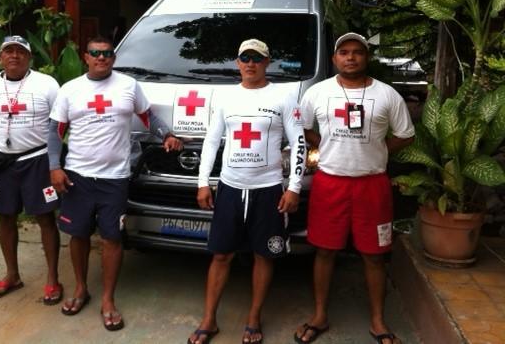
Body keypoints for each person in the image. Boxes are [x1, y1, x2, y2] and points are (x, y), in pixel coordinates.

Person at [48, 36, 182, 330]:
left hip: (116, 177)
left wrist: (167, 135)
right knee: (78, 234)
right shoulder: (70, 90)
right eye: (95, 53)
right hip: (77, 176)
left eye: (107, 53)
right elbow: (55, 132)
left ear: (113, 57)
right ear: (85, 56)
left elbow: (148, 116)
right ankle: (81, 288)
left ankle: (108, 299)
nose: (102, 58)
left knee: (112, 238)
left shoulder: (128, 86)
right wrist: (54, 166)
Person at [294, 33, 415, 344]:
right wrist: (324, 145)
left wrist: (380, 149)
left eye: (357, 52)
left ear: (367, 57)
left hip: (372, 184)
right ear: (334, 59)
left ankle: (377, 320)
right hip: (329, 182)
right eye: (344, 52)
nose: (351, 57)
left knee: (374, 255)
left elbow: (405, 134)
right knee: (324, 251)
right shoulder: (317, 93)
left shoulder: (387, 95)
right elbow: (304, 127)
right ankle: (319, 315)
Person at [188, 38, 306, 344]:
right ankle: (209, 319)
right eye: (244, 58)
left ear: (267, 62)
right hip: (229, 188)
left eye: (257, 58)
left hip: (268, 190)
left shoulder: (284, 97)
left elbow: (298, 143)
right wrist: (202, 182)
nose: (250, 63)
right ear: (237, 62)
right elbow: (212, 141)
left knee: (264, 255)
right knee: (221, 255)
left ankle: (254, 318)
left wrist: (293, 187)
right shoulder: (226, 98)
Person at [0, 35, 63, 304]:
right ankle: (12, 275)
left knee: (45, 218)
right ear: (0, 57)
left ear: (29, 57)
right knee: (4, 217)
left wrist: (54, 162)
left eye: (20, 52)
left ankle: (52, 279)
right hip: (4, 161)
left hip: (37, 160)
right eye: (8, 51)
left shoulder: (46, 84)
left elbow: (59, 125)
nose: (14, 56)